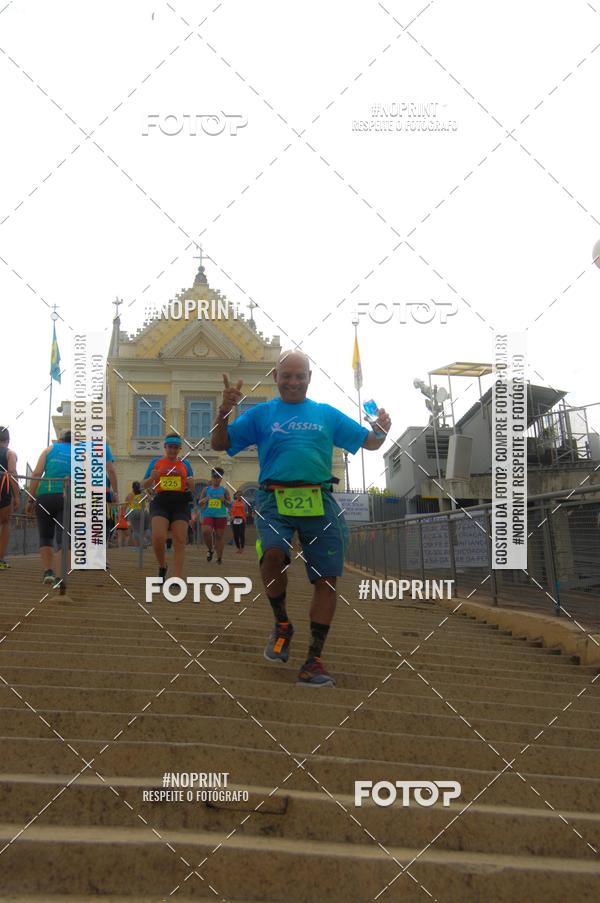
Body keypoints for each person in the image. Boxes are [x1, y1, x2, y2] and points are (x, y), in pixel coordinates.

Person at [211, 351, 391, 687]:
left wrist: (380, 429)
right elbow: (220, 443)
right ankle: (282, 625)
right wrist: (224, 411)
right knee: (273, 556)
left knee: (326, 581)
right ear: (275, 377)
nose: (293, 382)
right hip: (273, 498)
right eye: (286, 376)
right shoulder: (262, 413)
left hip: (319, 500)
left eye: (300, 376)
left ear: (309, 378)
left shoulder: (325, 414)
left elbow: (370, 443)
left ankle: (314, 660)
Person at [143, 433, 194, 584]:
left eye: (175, 447)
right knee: (158, 537)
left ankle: (176, 577)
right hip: (161, 501)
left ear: (179, 449)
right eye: (170, 447)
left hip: (180, 503)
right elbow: (143, 484)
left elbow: (191, 486)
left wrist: (191, 484)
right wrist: (152, 478)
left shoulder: (186, 464)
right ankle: (162, 565)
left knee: (179, 540)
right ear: (165, 447)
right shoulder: (156, 462)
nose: (172, 450)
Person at [26, 430, 72, 586]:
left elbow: (37, 473)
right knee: (64, 538)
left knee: (45, 536)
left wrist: (30, 499)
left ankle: (48, 572)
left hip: (45, 495)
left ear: (59, 439)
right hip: (67, 497)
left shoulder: (49, 450)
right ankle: (60, 577)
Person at [198, 467, 231, 564]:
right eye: (214, 477)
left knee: (219, 536)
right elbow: (199, 502)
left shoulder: (224, 490)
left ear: (221, 478)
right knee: (206, 531)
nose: (216, 479)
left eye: (218, 477)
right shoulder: (206, 489)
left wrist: (223, 500)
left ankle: (219, 558)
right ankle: (210, 549)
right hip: (208, 514)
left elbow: (229, 504)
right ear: (211, 477)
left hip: (220, 516)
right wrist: (205, 499)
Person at [0, 427, 20, 569]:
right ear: (8, 440)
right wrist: (17, 495)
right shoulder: (10, 453)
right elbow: (12, 472)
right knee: (5, 523)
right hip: (3, 489)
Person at [125, 481, 146, 546]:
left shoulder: (130, 494)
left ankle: (137, 545)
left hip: (132, 512)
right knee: (140, 529)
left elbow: (126, 504)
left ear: (132, 487)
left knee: (134, 530)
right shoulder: (143, 494)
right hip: (141, 512)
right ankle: (141, 543)